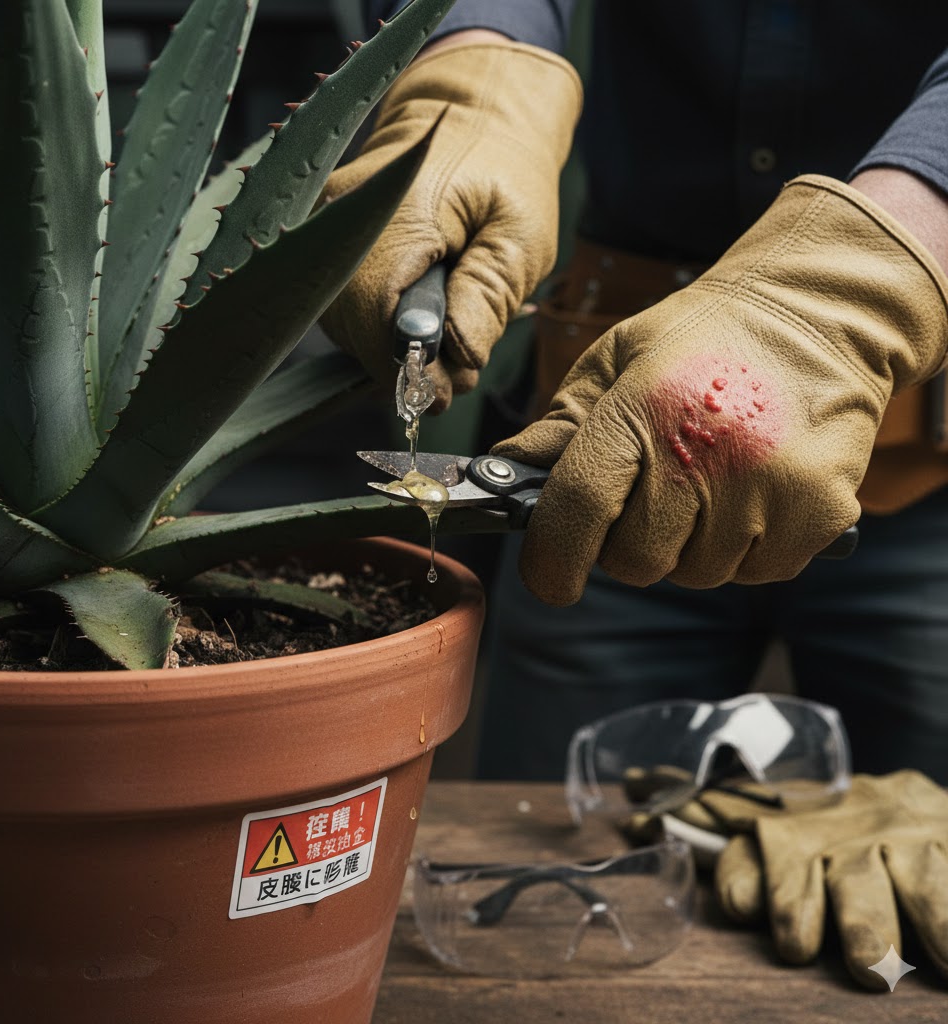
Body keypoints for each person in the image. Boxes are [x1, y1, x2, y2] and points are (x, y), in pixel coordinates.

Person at [321, 1, 948, 785]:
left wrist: (852, 290)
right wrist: (478, 66)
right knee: (549, 845)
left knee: (924, 863)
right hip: (608, 465)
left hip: (930, 489)